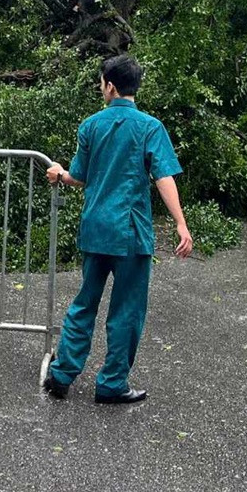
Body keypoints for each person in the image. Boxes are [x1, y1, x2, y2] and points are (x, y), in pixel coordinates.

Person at [43, 54, 191, 405]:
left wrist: (59, 174)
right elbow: (163, 176)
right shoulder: (150, 127)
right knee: (126, 310)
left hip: (96, 228)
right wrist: (180, 223)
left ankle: (62, 375)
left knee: (84, 302)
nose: (100, 88)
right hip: (131, 232)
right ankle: (111, 383)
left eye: (100, 83)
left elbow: (79, 176)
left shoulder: (91, 125)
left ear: (110, 85)